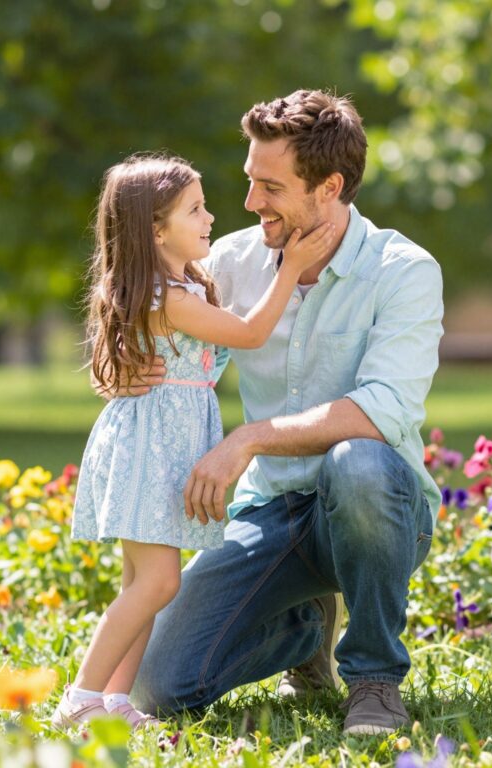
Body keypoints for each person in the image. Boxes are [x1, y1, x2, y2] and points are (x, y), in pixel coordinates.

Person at [129, 91, 445, 735]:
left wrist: (248, 439)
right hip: (270, 512)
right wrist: (137, 362)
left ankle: (375, 680)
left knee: (357, 462)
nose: (249, 203)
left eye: (269, 186)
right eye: (249, 181)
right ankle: (305, 633)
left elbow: (384, 410)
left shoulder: (404, 271)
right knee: (160, 687)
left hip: (377, 510)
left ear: (328, 187)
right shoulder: (231, 264)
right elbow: (157, 316)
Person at [50, 153, 335, 730]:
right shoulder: (169, 298)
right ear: (156, 231)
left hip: (159, 443)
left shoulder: (179, 286)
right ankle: (80, 696)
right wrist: (289, 267)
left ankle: (116, 701)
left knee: (144, 583)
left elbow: (200, 353)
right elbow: (251, 333)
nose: (212, 218)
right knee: (158, 582)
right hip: (150, 448)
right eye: (196, 210)